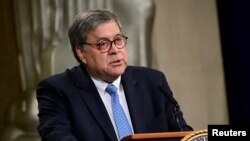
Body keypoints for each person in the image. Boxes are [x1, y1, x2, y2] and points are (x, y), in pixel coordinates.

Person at [36, 9, 193, 141]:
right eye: (103, 44)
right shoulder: (57, 91)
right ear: (82, 53)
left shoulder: (153, 82)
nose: (115, 50)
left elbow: (181, 132)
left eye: (118, 40)